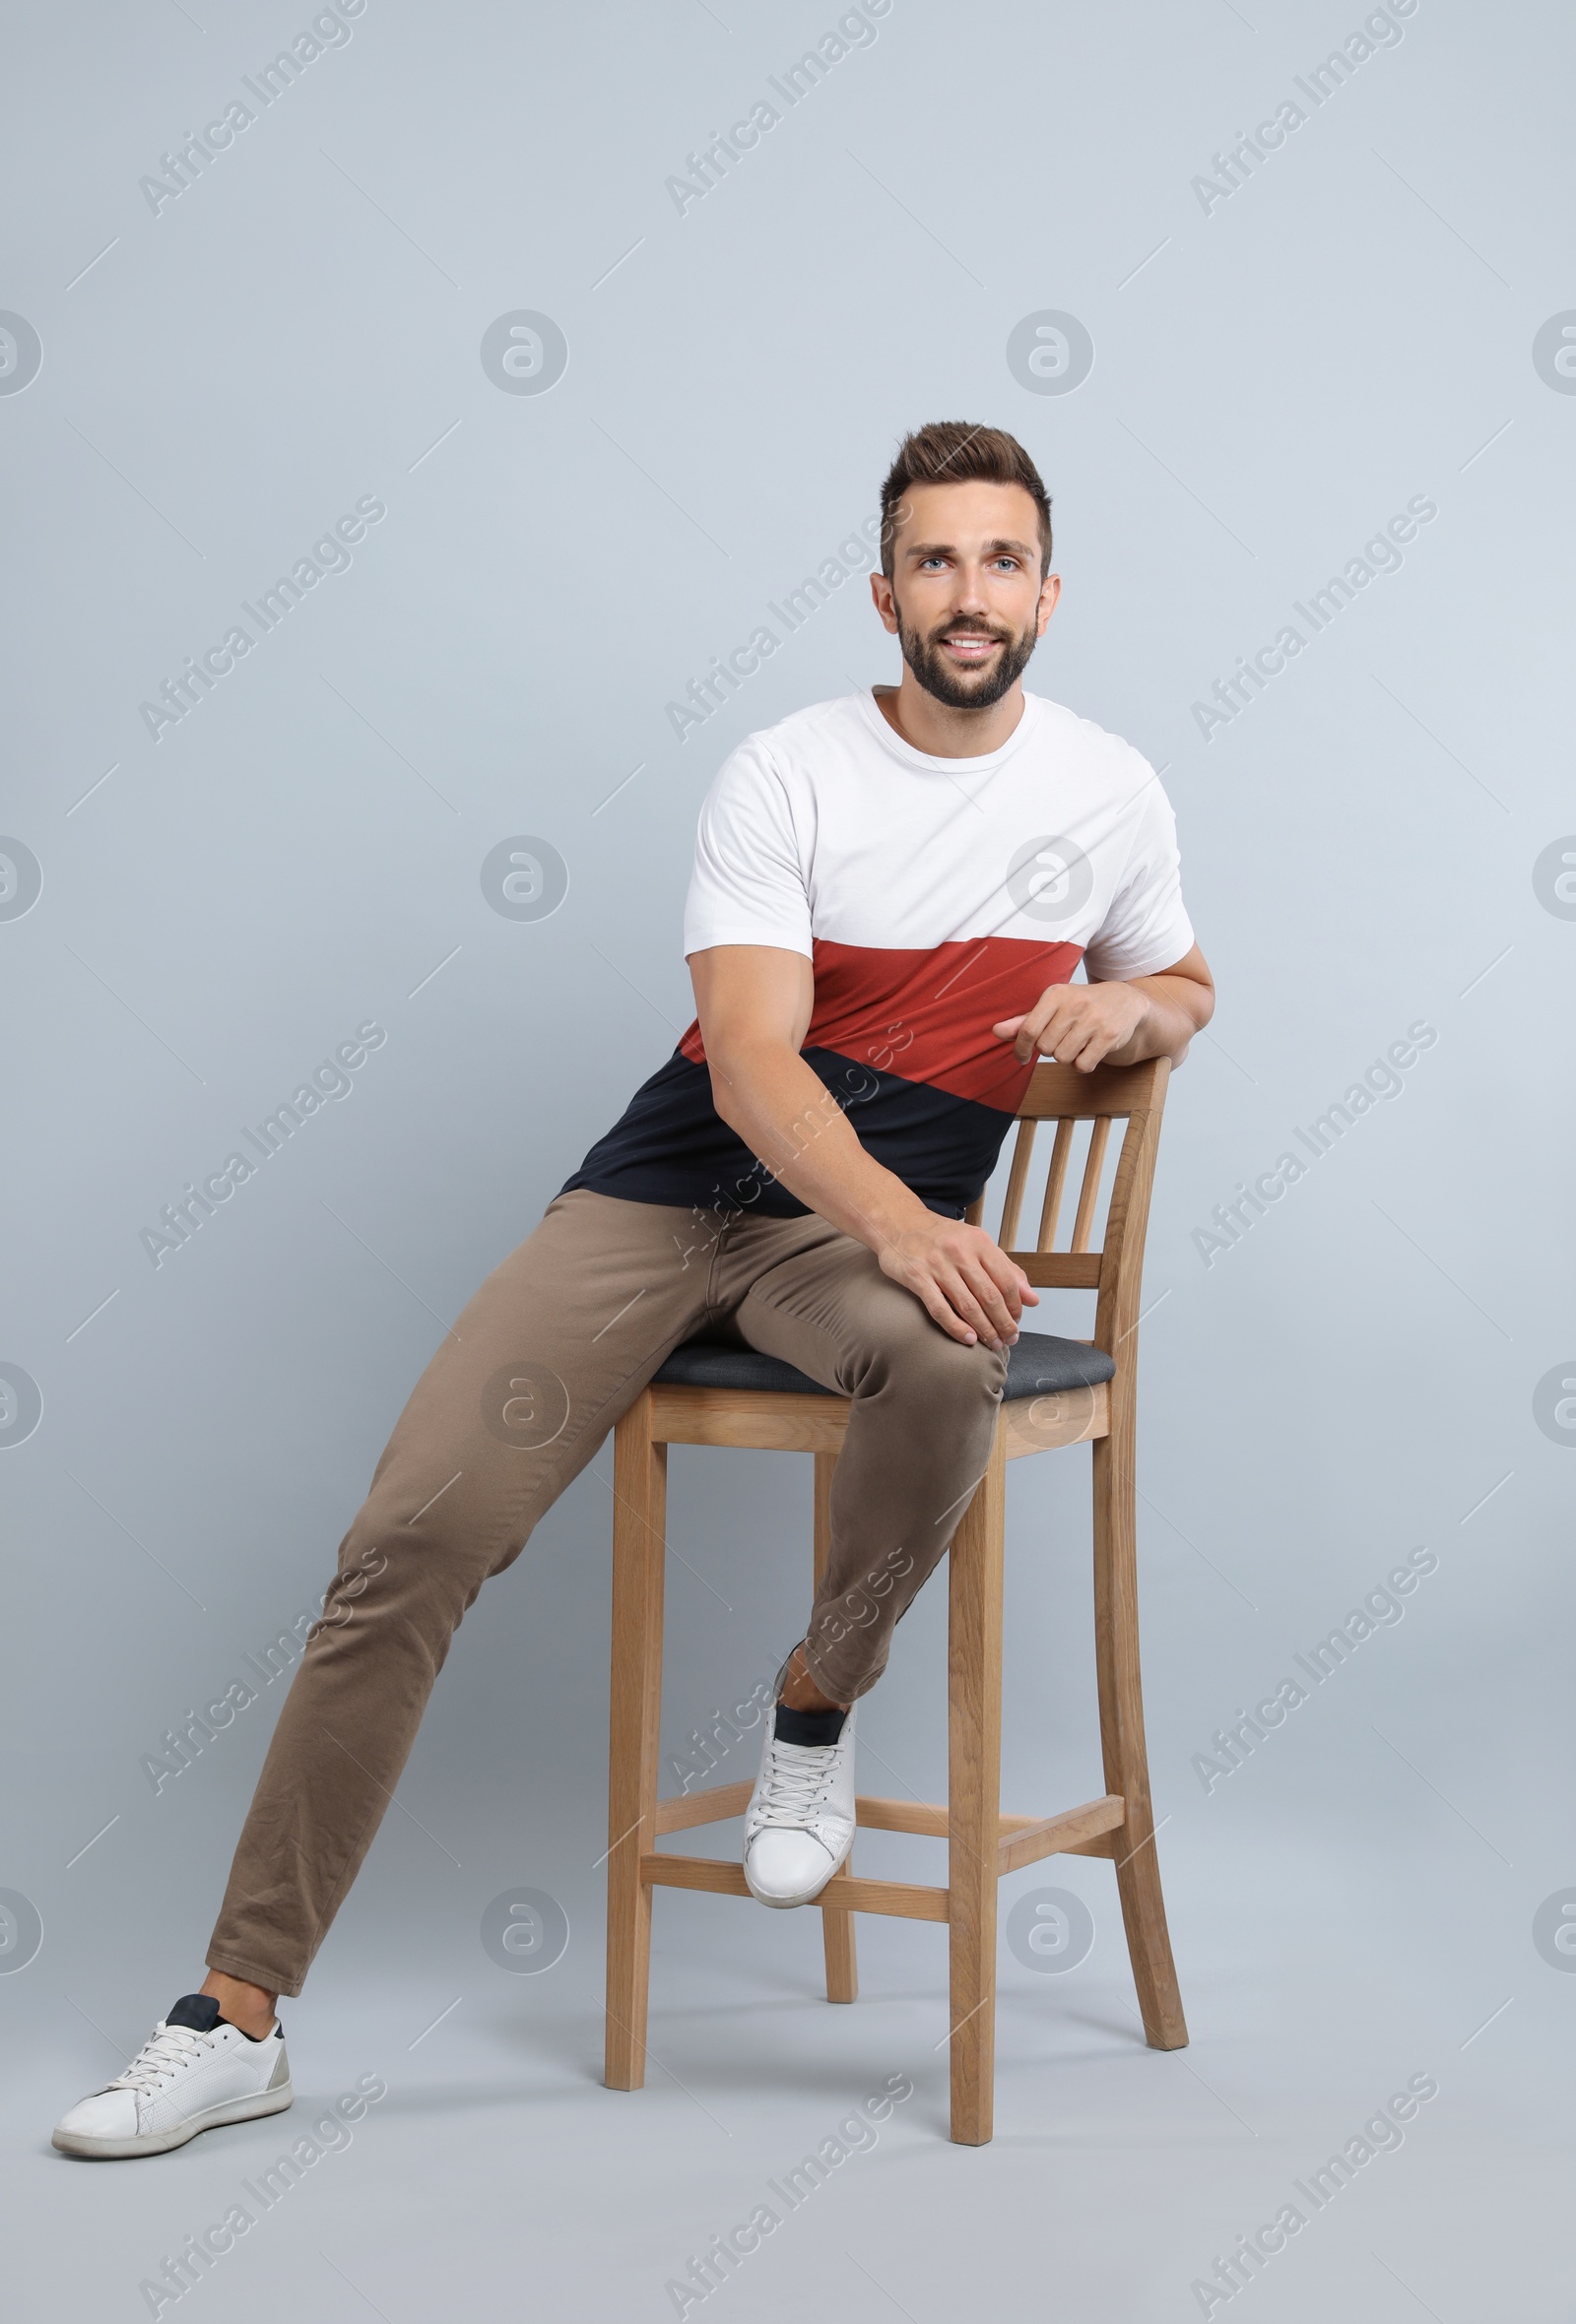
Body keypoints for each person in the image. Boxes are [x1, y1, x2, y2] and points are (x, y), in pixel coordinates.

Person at [53, 420, 1214, 2158]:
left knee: (946, 1369)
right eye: (932, 560)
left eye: (999, 560)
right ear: (882, 588)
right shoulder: (786, 771)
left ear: (1050, 588)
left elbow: (1185, 976)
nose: (966, 595)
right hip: (661, 1206)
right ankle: (234, 2015)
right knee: (412, 1539)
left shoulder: (1109, 789)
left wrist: (1143, 1012)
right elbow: (751, 1066)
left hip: (842, 1255)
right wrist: (907, 1219)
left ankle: (815, 1702)